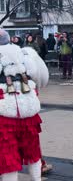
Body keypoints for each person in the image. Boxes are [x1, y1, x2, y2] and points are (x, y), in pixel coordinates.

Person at [0, 28, 49, 181]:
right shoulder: (26, 54)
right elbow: (42, 77)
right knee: (32, 148)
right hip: (29, 111)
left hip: (5, 113)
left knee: (8, 152)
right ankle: (36, 178)